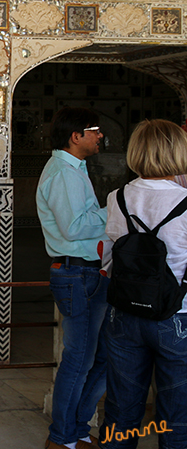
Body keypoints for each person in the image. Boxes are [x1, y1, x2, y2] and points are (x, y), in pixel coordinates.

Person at [99, 119, 187, 449]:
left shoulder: (117, 197)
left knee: (121, 412)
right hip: (177, 317)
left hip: (124, 316)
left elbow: (108, 261)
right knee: (177, 418)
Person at [36, 107, 108, 449]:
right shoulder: (64, 173)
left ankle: (77, 430)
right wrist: (120, 208)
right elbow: (74, 227)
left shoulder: (74, 169)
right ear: (74, 136)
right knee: (79, 359)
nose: (100, 136)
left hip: (88, 272)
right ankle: (61, 438)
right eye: (94, 130)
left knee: (98, 357)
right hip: (75, 273)